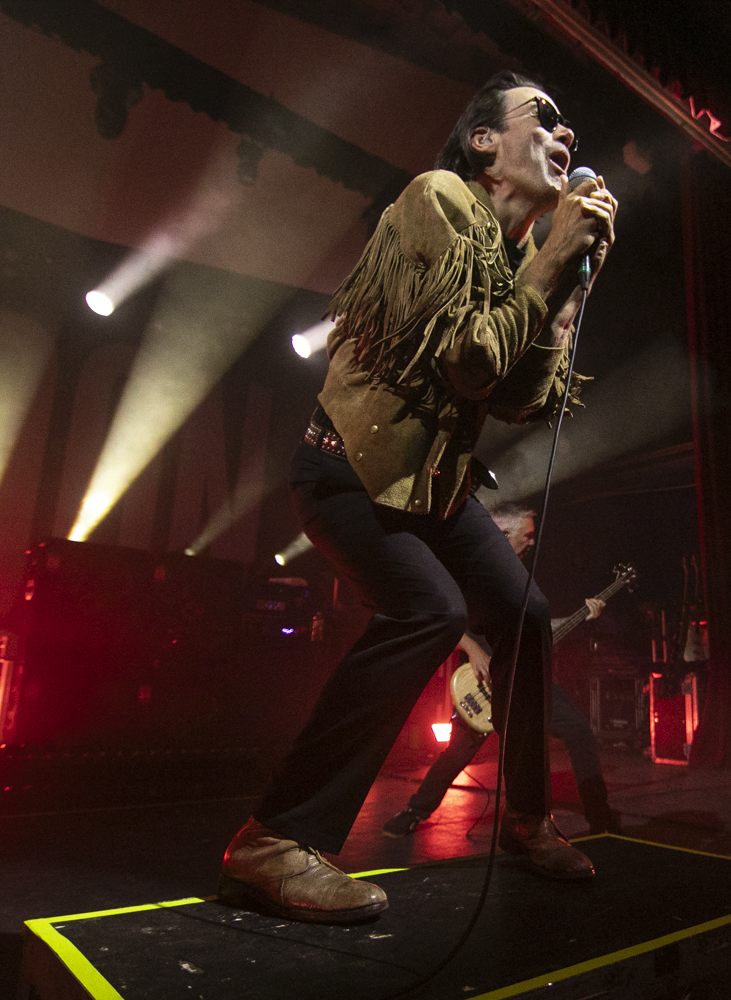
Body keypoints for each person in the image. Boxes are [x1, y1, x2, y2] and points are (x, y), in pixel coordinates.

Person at [219, 72, 617, 924]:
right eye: (544, 118)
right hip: (348, 473)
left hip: (430, 489)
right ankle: (275, 837)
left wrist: (565, 292)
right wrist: (553, 259)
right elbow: (469, 363)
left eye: (569, 129)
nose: (565, 137)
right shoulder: (436, 199)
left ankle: (525, 819)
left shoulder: (518, 258)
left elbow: (518, 400)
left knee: (525, 615)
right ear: (484, 143)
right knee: (429, 610)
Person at [382, 503, 619, 839]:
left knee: (578, 731)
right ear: (504, 534)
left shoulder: (520, 574)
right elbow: (440, 616)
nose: (533, 542)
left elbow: (533, 625)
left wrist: (581, 617)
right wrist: (473, 649)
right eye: (528, 535)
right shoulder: (469, 568)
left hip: (523, 678)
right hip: (482, 679)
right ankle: (414, 812)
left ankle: (598, 814)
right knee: (458, 752)